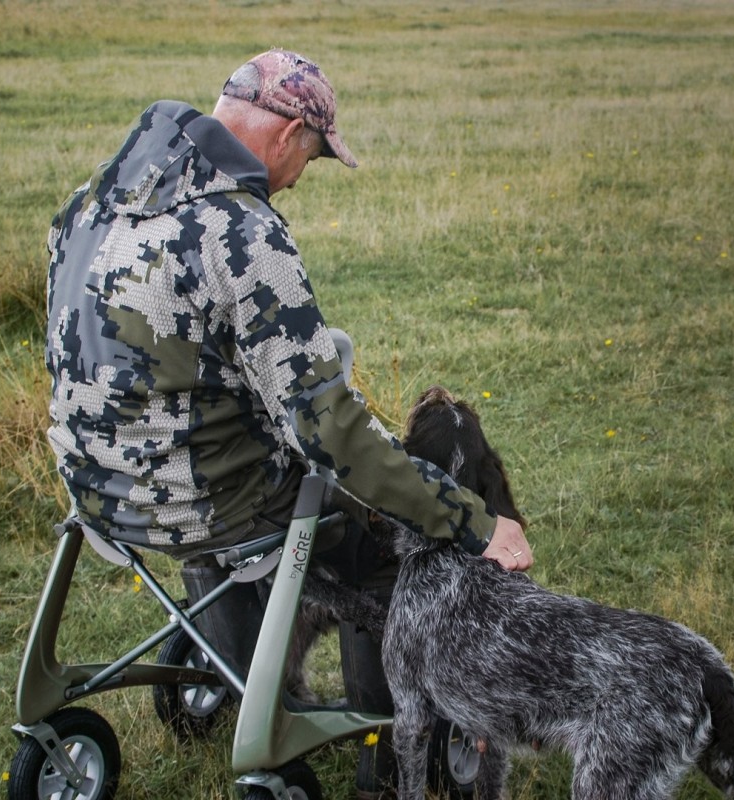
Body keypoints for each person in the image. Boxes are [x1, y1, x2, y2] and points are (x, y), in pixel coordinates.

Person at [45, 48, 532, 799]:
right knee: (389, 544)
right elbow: (330, 431)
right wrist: (469, 518)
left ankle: (233, 673)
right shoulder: (244, 233)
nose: (303, 176)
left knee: (233, 479)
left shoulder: (88, 204)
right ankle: (386, 734)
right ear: (289, 133)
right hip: (210, 507)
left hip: (97, 498)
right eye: (313, 154)